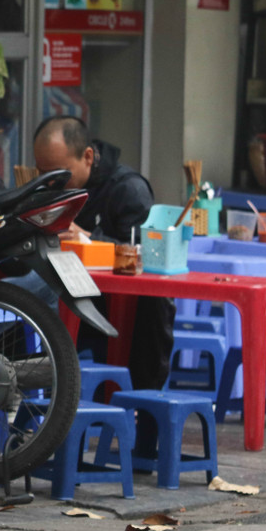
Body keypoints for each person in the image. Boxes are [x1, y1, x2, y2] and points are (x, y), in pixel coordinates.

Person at [33, 115, 173, 390]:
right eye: (42, 173)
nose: (50, 183)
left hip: (122, 315)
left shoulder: (128, 189)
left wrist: (87, 239)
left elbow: (144, 256)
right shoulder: (51, 188)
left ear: (87, 156)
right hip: (69, 296)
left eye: (58, 174)